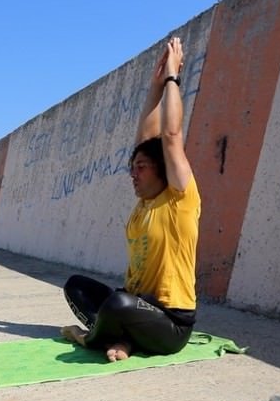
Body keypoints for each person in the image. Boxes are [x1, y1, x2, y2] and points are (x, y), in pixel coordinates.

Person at [61, 36, 201, 362]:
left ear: (162, 170)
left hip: (171, 323)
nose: (133, 173)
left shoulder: (179, 199)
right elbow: (145, 137)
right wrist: (153, 87)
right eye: (132, 167)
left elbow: (169, 136)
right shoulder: (142, 207)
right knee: (76, 286)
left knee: (118, 305)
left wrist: (171, 77)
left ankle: (91, 338)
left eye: (141, 167)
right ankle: (122, 338)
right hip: (139, 307)